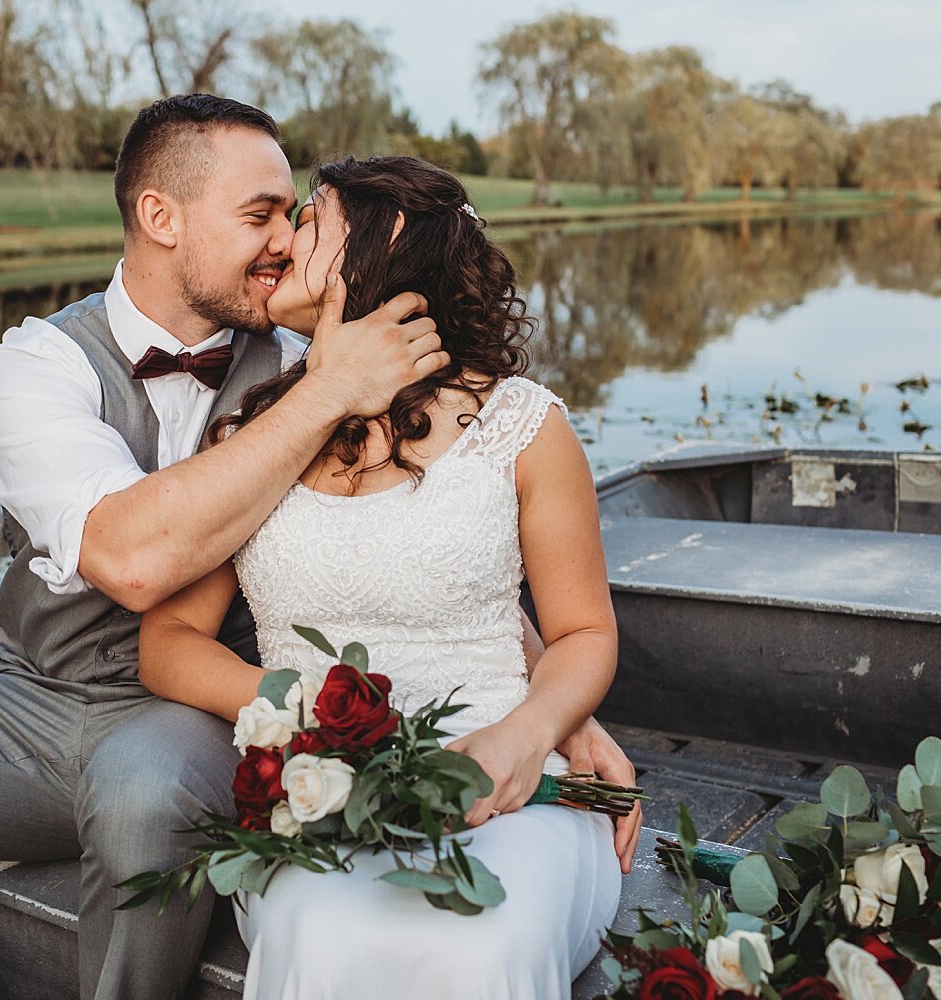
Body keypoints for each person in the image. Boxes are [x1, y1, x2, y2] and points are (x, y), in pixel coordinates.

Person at [0, 95, 636, 1000]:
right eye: (261, 214)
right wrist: (326, 392)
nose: (282, 239)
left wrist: (542, 704)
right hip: (40, 695)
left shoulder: (308, 351)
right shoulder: (40, 367)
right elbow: (138, 562)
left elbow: (427, 541)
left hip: (199, 719)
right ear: (161, 216)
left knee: (143, 796)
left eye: (294, 217)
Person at [139, 154, 626, 1000]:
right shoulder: (255, 442)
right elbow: (169, 642)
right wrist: (297, 720)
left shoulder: (521, 425)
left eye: (312, 219)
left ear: (385, 245)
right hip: (320, 791)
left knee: (480, 940)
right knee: (324, 932)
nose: (282, 240)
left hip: (511, 785)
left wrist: (534, 732)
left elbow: (583, 632)